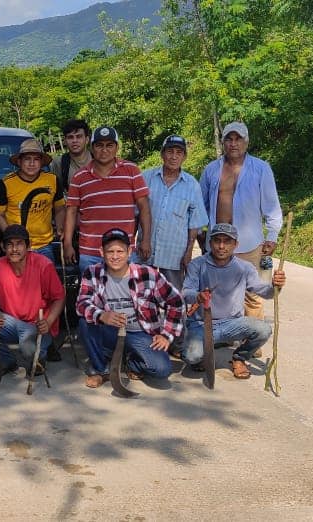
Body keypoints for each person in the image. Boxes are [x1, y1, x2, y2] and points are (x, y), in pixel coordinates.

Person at [76, 229, 185, 388]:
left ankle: (131, 362)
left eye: (120, 251)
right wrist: (102, 315)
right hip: (110, 331)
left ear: (129, 252)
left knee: (162, 370)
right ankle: (102, 369)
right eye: (110, 251)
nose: (115, 256)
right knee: (84, 322)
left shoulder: (147, 273)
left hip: (139, 333)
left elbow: (176, 301)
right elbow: (81, 303)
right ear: (102, 252)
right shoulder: (92, 272)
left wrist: (166, 335)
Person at [199, 122, 282, 319]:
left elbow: (272, 206)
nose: (233, 143)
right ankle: (221, 334)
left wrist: (272, 236)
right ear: (223, 141)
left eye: (238, 139)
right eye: (229, 138)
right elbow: (200, 206)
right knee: (217, 291)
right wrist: (201, 233)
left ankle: (253, 339)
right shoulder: (211, 170)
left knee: (252, 294)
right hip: (217, 241)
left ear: (246, 142)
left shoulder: (261, 168)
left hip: (249, 242)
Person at [181, 223, 286, 379]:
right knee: (192, 356)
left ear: (235, 245)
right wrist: (198, 296)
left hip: (233, 324)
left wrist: (275, 286)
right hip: (202, 324)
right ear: (210, 243)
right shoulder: (197, 265)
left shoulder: (245, 268)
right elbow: (185, 292)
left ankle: (239, 358)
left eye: (227, 241)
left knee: (263, 329)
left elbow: (265, 291)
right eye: (217, 241)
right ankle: (202, 356)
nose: (221, 246)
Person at [0, 225, 65, 378]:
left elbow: (59, 298)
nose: (14, 249)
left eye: (19, 244)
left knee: (27, 347)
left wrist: (49, 321)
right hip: (13, 324)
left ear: (28, 246)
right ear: (3, 247)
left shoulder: (44, 265)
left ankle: (40, 356)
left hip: (38, 326)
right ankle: (6, 360)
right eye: (9, 244)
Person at [63, 126, 152, 273]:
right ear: (91, 148)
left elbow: (144, 208)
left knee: (126, 294)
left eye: (109, 145)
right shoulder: (79, 177)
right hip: (90, 252)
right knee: (91, 295)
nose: (104, 150)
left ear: (117, 148)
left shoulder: (131, 171)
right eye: (99, 145)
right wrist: (67, 244)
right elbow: (71, 212)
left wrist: (146, 239)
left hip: (123, 251)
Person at [141, 134, 207, 292]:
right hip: (145, 250)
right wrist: (141, 241)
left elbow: (195, 223)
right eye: (170, 151)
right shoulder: (146, 178)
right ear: (162, 154)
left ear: (184, 157)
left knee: (174, 299)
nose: (174, 157)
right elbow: (136, 214)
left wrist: (189, 251)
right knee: (142, 296)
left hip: (174, 255)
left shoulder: (192, 185)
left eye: (179, 153)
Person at [0, 138, 66, 262]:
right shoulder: (5, 184)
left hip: (44, 245)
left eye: (36, 159)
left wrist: (59, 229)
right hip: (16, 246)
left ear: (41, 162)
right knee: (17, 281)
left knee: (44, 280)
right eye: (27, 159)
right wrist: (10, 236)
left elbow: (59, 208)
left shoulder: (52, 180)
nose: (32, 163)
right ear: (19, 162)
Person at [49, 119, 92, 192]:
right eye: (70, 137)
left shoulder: (97, 159)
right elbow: (55, 192)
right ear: (65, 141)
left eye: (79, 136)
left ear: (87, 139)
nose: (75, 141)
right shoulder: (59, 163)